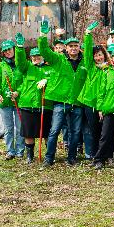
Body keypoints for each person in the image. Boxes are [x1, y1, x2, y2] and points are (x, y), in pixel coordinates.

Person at [37, 23, 83, 167]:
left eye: (76, 45)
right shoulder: (59, 59)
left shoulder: (84, 62)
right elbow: (44, 51)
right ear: (66, 48)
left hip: (76, 102)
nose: (73, 48)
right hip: (60, 101)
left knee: (75, 133)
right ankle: (49, 158)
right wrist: (43, 36)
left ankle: (72, 157)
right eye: (70, 46)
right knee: (54, 131)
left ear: (78, 47)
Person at [13, 35, 54, 164]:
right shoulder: (27, 67)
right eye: (34, 57)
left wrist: (48, 81)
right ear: (31, 58)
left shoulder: (50, 69)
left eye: (38, 56)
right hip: (28, 104)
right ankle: (30, 156)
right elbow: (19, 62)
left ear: (43, 56)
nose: (36, 58)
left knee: (47, 132)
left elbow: (55, 82)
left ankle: (49, 155)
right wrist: (19, 48)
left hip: (45, 105)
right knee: (29, 133)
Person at [79, 22, 108, 161]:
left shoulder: (109, 68)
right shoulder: (91, 67)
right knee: (94, 129)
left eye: (100, 55)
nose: (98, 57)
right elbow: (87, 55)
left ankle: (106, 153)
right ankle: (96, 154)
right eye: (96, 55)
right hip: (90, 102)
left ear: (104, 55)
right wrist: (87, 34)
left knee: (105, 130)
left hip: (104, 103)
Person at [0, 39, 24, 160]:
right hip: (5, 103)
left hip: (18, 101)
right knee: (8, 128)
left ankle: (20, 151)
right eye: (5, 51)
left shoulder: (21, 64)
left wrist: (18, 92)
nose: (7, 52)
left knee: (20, 128)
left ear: (14, 49)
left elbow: (25, 82)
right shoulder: (0, 67)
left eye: (9, 49)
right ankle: (11, 151)